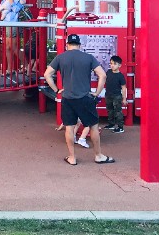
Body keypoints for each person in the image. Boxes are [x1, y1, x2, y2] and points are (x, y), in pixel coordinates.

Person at [43, 33, 115, 166]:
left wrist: (56, 90)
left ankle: (72, 157)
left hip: (67, 98)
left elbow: (47, 74)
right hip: (85, 98)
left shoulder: (60, 58)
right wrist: (97, 93)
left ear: (67, 44)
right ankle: (98, 156)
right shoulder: (88, 57)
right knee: (93, 126)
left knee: (69, 128)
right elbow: (103, 75)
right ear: (80, 45)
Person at [103, 55, 127, 133]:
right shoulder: (108, 72)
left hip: (117, 96)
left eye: (114, 64)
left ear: (119, 65)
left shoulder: (120, 76)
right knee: (110, 110)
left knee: (118, 111)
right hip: (108, 95)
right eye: (111, 63)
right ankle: (111, 124)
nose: (112, 65)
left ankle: (120, 127)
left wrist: (124, 99)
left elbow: (123, 88)